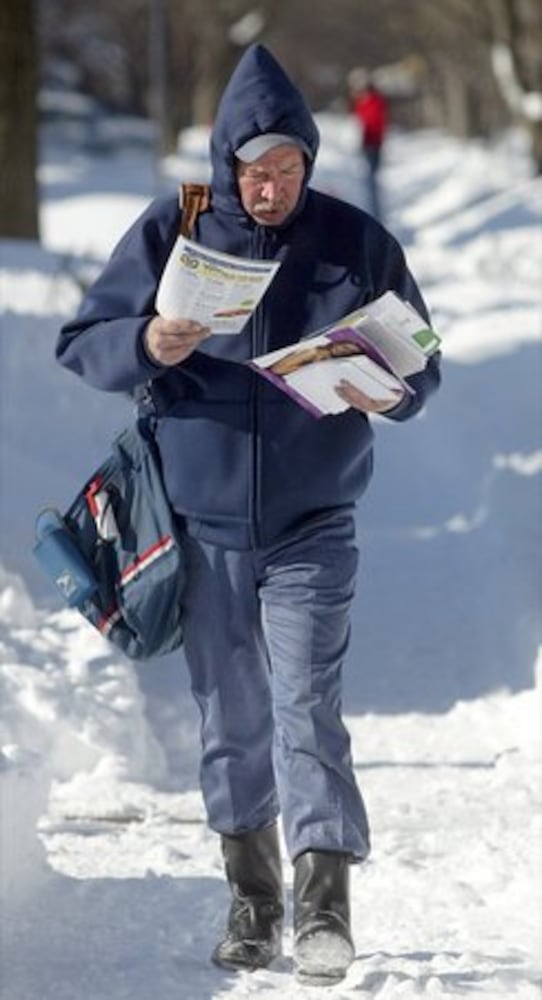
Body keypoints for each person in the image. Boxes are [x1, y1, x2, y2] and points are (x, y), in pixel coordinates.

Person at [56, 44, 440, 987]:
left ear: (309, 162)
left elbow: (423, 366)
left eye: (287, 170)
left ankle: (323, 905)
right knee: (230, 717)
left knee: (307, 703)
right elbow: (82, 343)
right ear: (226, 165)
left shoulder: (358, 244)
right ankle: (253, 901)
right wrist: (147, 337)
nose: (269, 188)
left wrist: (389, 391)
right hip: (200, 524)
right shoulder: (170, 230)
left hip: (314, 521)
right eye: (253, 171)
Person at [351, 76, 388, 221]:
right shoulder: (367, 102)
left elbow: (370, 124)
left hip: (372, 146)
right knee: (368, 182)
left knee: (371, 182)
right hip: (370, 145)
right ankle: (373, 212)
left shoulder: (372, 102)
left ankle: (375, 215)